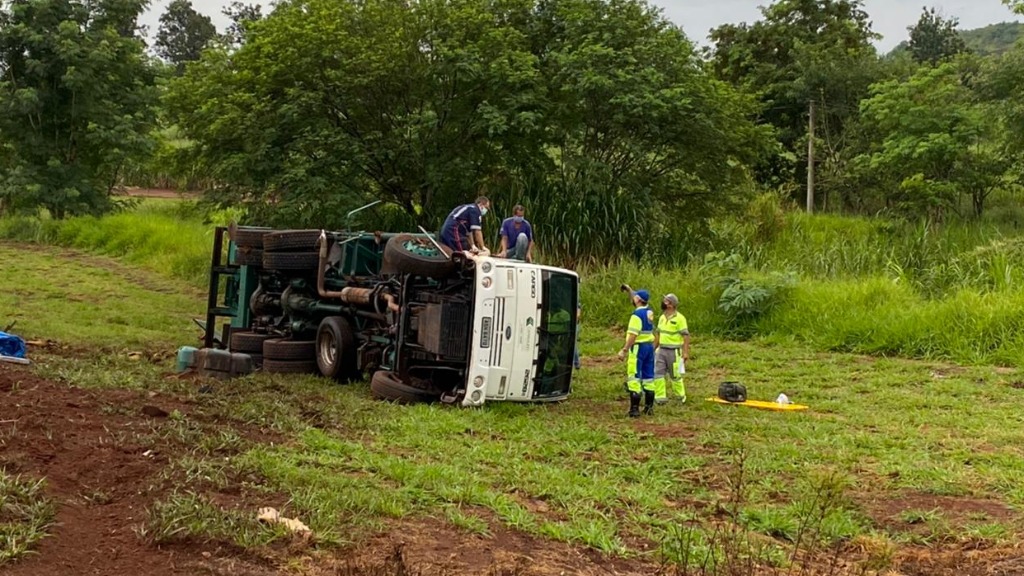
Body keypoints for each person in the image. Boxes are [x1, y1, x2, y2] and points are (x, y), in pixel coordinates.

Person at [617, 289, 656, 417]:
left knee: (633, 376)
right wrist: (629, 290)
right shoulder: (649, 312)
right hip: (649, 347)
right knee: (648, 376)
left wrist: (624, 350)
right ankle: (649, 408)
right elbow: (635, 297)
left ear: (638, 300)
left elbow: (633, 335)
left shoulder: (636, 316)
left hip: (638, 347)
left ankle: (634, 409)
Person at [653, 293, 690, 404]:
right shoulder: (662, 317)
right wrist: (654, 348)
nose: (663, 303)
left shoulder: (680, 318)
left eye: (666, 301)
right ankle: (660, 397)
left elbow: (686, 336)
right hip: (661, 350)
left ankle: (680, 396)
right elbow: (658, 335)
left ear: (671, 304)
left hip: (674, 351)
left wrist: (685, 352)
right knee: (658, 374)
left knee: (675, 375)